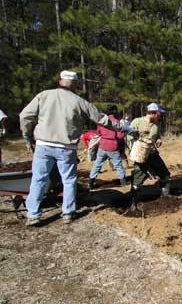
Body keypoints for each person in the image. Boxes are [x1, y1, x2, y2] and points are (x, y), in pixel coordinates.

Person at [19, 70, 117, 226]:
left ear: (60, 81)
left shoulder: (44, 95)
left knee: (39, 179)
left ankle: (33, 214)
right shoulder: (79, 101)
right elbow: (100, 118)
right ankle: (68, 213)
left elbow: (24, 116)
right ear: (76, 85)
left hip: (43, 145)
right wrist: (119, 127)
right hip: (66, 147)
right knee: (69, 180)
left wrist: (27, 135)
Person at [129, 103, 171, 210]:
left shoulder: (156, 126)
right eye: (158, 114)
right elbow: (128, 138)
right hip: (141, 156)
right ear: (153, 113)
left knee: (165, 175)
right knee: (137, 182)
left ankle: (165, 196)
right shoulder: (137, 122)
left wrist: (158, 140)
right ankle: (133, 203)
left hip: (153, 154)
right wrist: (136, 141)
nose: (159, 116)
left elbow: (156, 136)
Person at [88, 105, 127, 189]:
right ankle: (123, 183)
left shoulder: (102, 122)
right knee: (118, 165)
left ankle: (90, 183)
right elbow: (120, 136)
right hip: (112, 146)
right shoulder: (116, 122)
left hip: (102, 145)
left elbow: (98, 133)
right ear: (115, 112)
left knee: (97, 165)